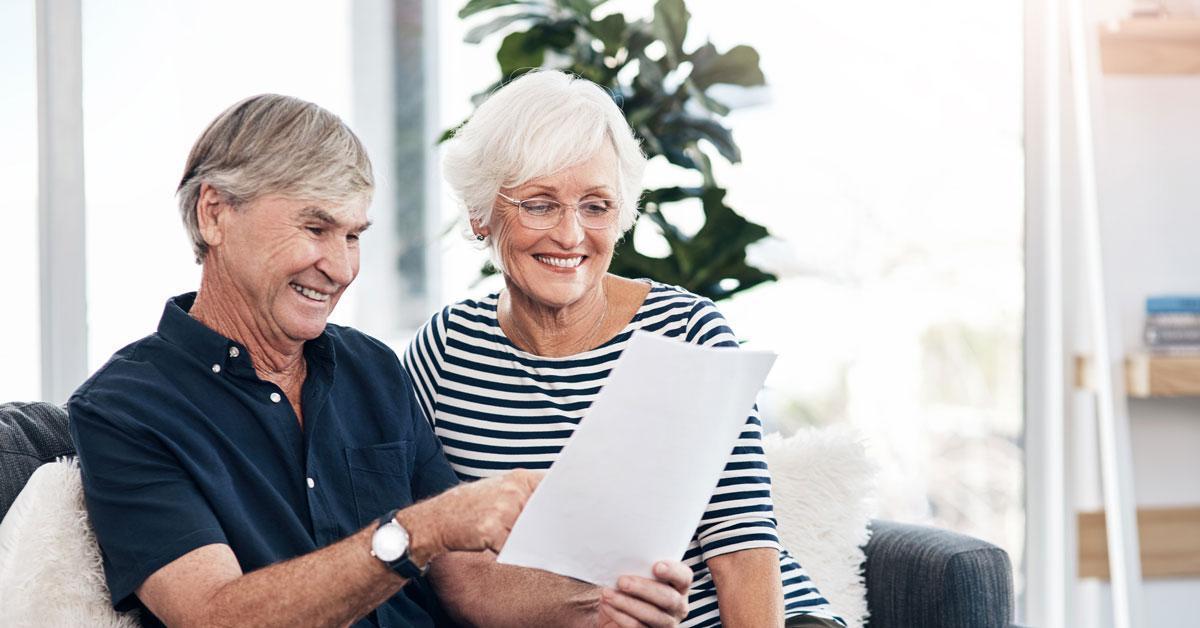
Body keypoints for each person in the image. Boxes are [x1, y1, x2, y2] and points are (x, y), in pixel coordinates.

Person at [69, 93, 693, 628]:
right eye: (315, 229)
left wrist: (598, 607)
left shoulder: (370, 368)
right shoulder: (127, 410)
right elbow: (214, 614)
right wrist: (419, 531)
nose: (340, 269)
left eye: (353, 236)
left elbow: (465, 581)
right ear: (214, 214)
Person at [402, 70, 847, 628]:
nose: (570, 235)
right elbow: (438, 564)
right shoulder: (443, 353)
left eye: (596, 206)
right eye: (539, 204)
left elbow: (742, 550)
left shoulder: (688, 330)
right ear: (480, 213)